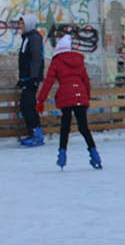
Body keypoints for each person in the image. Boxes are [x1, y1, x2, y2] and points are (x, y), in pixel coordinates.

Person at [36, 30, 101, 170]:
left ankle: (62, 156)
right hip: (81, 96)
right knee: (84, 128)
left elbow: (48, 82)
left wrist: (41, 100)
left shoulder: (57, 61)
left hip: (66, 97)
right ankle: (95, 155)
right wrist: (87, 98)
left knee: (65, 127)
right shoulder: (79, 61)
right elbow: (86, 82)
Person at [16, 13, 45, 146]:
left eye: (22, 23)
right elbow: (25, 59)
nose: (20, 26)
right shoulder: (27, 38)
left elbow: (36, 59)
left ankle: (36, 135)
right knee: (26, 106)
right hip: (27, 78)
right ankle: (33, 133)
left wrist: (33, 78)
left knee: (28, 106)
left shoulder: (34, 38)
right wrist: (22, 79)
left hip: (31, 79)